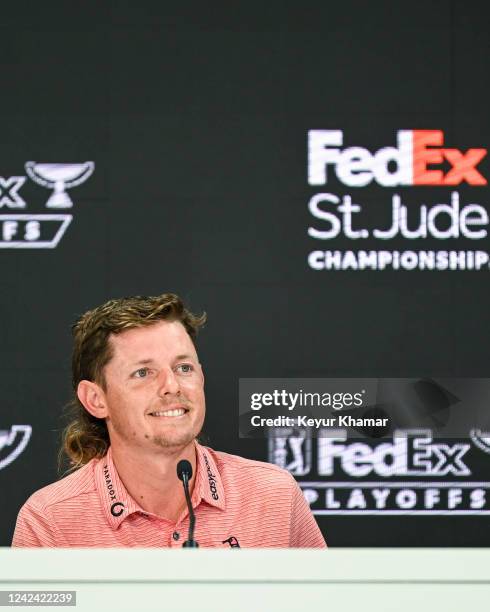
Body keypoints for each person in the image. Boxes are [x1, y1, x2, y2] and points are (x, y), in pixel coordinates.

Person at [12, 293, 326, 548]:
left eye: (184, 367)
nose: (172, 386)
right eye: (143, 373)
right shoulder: (49, 521)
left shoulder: (273, 495)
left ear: (201, 377)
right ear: (96, 399)